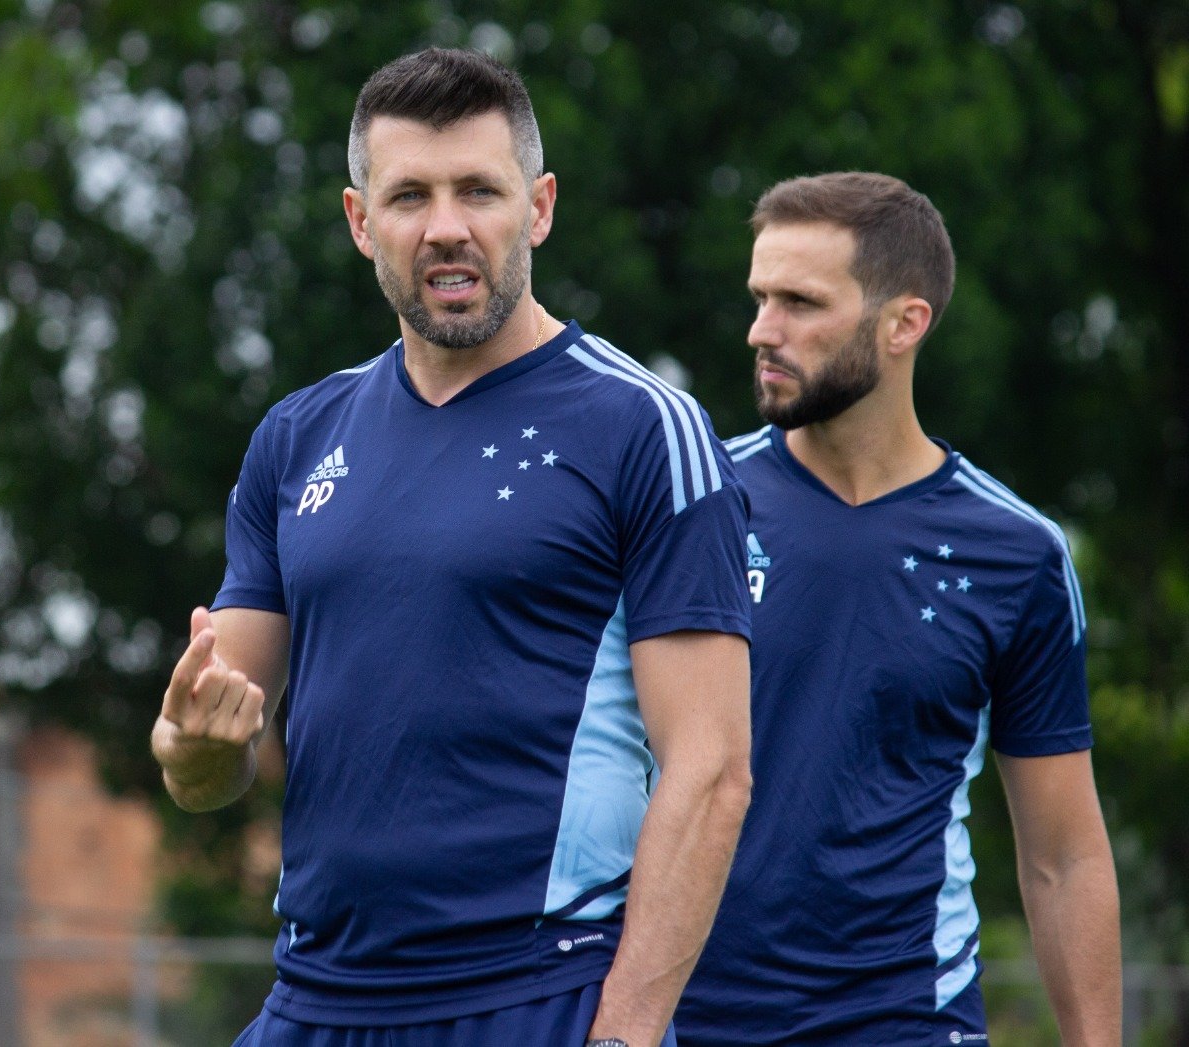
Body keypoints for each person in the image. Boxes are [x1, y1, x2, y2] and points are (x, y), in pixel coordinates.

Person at [151, 48, 754, 1047]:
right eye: (408, 196)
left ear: (539, 207)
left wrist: (623, 1035)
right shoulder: (296, 439)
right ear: (358, 222)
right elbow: (213, 764)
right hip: (314, 1001)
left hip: (534, 999)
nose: (446, 227)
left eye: (479, 189)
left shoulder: (643, 430)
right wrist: (189, 748)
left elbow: (712, 768)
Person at [675, 172, 1121, 1045]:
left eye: (800, 302)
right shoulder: (694, 506)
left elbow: (1064, 858)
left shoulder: (1018, 552)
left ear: (904, 323)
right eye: (761, 297)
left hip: (909, 1018)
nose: (762, 330)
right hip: (691, 1019)